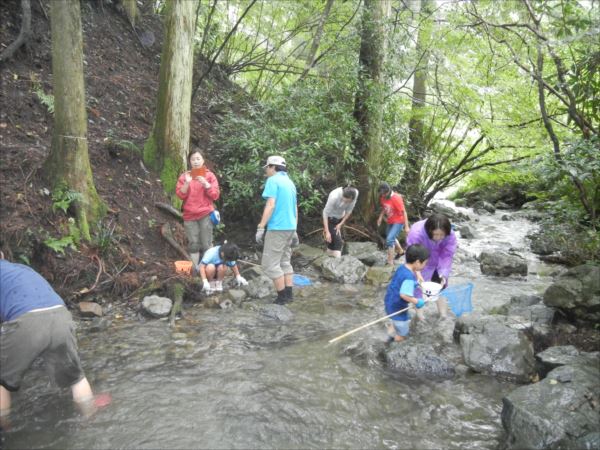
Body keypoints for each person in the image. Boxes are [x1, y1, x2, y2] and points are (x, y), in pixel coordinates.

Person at [0, 257, 105, 424]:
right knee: (75, 378)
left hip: (27, 320)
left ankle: (5, 429)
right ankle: (91, 419)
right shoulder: (22, 269)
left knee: (2, 380)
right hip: (60, 315)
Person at [255, 155, 298, 305]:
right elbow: (294, 208)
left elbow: (271, 205)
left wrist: (261, 227)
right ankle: (289, 295)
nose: (266, 170)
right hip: (290, 227)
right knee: (285, 261)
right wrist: (295, 229)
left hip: (278, 228)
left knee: (270, 265)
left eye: (267, 167)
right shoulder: (290, 182)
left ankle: (282, 298)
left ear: (272, 167)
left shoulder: (273, 180)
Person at [175, 150, 220, 274]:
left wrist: (206, 184)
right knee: (193, 243)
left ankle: (210, 270)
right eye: (193, 159)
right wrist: (187, 183)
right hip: (189, 214)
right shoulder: (185, 176)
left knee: (206, 243)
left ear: (203, 160)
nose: (195, 161)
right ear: (189, 161)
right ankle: (196, 269)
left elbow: (215, 195)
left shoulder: (209, 176)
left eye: (198, 159)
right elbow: (180, 195)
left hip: (205, 213)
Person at [406, 213, 458, 318]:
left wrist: (443, 274)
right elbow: (412, 256)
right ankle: (420, 317)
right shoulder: (416, 233)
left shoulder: (449, 234)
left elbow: (447, 254)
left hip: (438, 261)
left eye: (441, 235)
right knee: (418, 289)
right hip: (420, 261)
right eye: (436, 234)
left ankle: (443, 315)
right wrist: (417, 272)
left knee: (440, 286)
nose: (439, 238)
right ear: (429, 230)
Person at [383, 244, 429, 342]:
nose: (425, 266)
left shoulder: (402, 268)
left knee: (395, 321)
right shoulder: (409, 277)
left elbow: (400, 282)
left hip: (389, 301)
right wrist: (417, 301)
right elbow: (404, 294)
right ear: (417, 262)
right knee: (403, 333)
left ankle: (389, 332)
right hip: (398, 307)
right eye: (425, 263)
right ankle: (392, 340)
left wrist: (416, 284)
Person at [376, 182, 410, 266]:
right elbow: (384, 208)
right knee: (390, 237)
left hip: (399, 221)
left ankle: (390, 262)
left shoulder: (396, 198)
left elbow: (404, 212)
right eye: (381, 194)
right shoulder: (382, 197)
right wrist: (380, 217)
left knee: (389, 239)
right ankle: (401, 252)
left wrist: (406, 226)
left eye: (384, 194)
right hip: (390, 220)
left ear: (388, 191)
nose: (383, 195)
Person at [322, 186, 359, 257]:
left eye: (347, 202)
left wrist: (340, 224)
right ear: (342, 195)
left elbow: (349, 211)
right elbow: (325, 213)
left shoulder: (355, 194)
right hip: (330, 218)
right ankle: (339, 265)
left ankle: (327, 260)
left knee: (332, 243)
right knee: (338, 242)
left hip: (340, 218)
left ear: (352, 199)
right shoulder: (334, 196)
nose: (344, 203)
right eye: (344, 200)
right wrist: (327, 232)